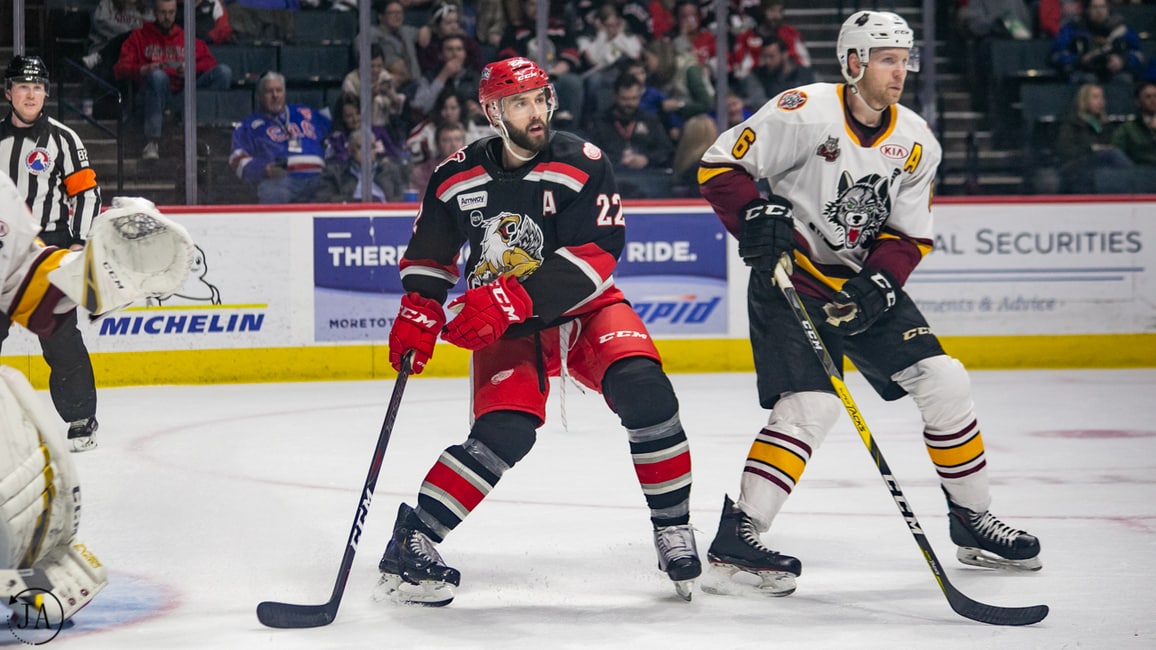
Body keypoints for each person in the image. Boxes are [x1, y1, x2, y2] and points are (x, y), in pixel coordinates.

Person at [696, 10, 1042, 597]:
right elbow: (719, 165)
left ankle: (972, 519)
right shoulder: (801, 111)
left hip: (860, 285)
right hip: (791, 280)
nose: (900, 71)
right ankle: (740, 536)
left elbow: (908, 235)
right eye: (887, 59)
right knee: (811, 408)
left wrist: (879, 283)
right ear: (853, 62)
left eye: (905, 60)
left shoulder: (916, 142)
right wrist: (755, 214)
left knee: (946, 381)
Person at [377, 56, 700, 606]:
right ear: (493, 111)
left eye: (540, 98)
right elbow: (431, 255)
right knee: (505, 431)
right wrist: (419, 309)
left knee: (647, 393)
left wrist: (511, 296)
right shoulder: (455, 174)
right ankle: (413, 540)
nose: (535, 112)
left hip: (584, 309)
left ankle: (672, 527)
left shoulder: (582, 161)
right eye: (519, 102)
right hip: (507, 325)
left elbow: (598, 253)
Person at [0, 56, 102, 452]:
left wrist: (77, 242)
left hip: (47, 253)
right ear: (9, 92)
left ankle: (81, 417)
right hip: (3, 251)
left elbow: (87, 193)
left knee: (60, 338)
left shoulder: (63, 139)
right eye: (23, 87)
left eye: (38, 87)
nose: (31, 94)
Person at [113, 0, 233, 160]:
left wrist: (191, 69)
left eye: (171, 13)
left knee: (223, 72)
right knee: (158, 76)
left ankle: (208, 135)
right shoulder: (139, 36)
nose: (167, 17)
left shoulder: (185, 37)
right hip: (150, 97)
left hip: (182, 96)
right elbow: (119, 69)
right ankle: (152, 142)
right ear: (154, 13)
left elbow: (210, 63)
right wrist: (143, 69)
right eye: (163, 13)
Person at [228, 71, 332, 204]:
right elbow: (236, 159)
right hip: (280, 181)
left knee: (334, 192)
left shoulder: (305, 113)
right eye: (269, 91)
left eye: (279, 90)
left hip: (318, 178)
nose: (275, 95)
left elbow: (336, 134)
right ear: (259, 96)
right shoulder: (249, 125)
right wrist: (263, 169)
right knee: (274, 193)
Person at [585, 71, 675, 199]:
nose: (629, 104)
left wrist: (646, 159)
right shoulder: (599, 122)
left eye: (634, 99)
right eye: (625, 99)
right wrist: (618, 159)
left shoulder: (650, 120)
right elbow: (591, 155)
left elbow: (666, 150)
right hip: (613, 180)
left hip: (647, 179)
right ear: (615, 97)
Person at [1055, 82, 1134, 192]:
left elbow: (1115, 145)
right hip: (1077, 166)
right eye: (1095, 97)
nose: (1100, 101)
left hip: (1102, 167)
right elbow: (1066, 151)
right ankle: (1134, 182)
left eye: (1102, 97)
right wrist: (1092, 149)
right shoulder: (1071, 124)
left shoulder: (1106, 125)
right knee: (1112, 154)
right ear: (1084, 100)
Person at [1051, 0, 1145, 84]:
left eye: (1103, 7)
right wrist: (1080, 60)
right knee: (1088, 80)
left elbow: (1138, 55)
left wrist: (1122, 61)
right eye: (1095, 7)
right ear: (1087, 10)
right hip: (1083, 71)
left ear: (1108, 9)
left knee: (1124, 79)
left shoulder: (1122, 30)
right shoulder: (1073, 29)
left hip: (1114, 72)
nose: (1099, 11)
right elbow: (1057, 55)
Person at [316, 128, 407, 202]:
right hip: (350, 217)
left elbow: (403, 198)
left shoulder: (389, 170)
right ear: (350, 150)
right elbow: (324, 199)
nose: (367, 152)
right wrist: (356, 201)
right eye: (361, 147)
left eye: (371, 147)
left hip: (384, 216)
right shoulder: (335, 172)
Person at [739, 36, 816, 109]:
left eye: (771, 56)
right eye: (764, 57)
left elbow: (814, 99)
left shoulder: (805, 75)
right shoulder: (757, 76)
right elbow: (759, 103)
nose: (767, 61)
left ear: (785, 54)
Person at [1110, 80, 1156, 168]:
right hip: (1139, 173)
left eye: (1155, 96)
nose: (1153, 100)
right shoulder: (1127, 128)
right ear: (1138, 102)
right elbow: (1116, 154)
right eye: (1148, 97)